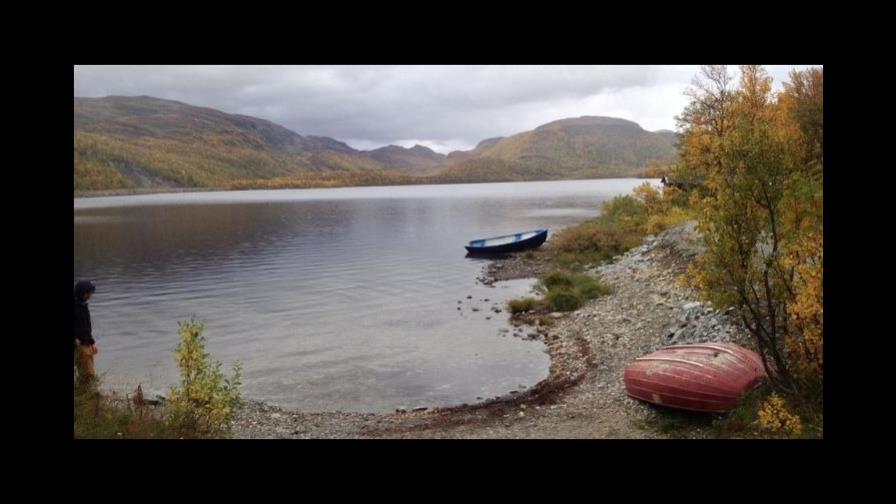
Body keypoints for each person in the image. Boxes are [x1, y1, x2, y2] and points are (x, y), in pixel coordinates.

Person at [73, 280, 98, 384]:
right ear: (82, 292)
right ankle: (88, 394)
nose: (90, 295)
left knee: (90, 372)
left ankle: (89, 394)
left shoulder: (83, 305)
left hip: (86, 342)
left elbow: (86, 327)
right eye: (89, 293)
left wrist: (91, 343)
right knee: (88, 374)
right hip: (79, 344)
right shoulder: (75, 307)